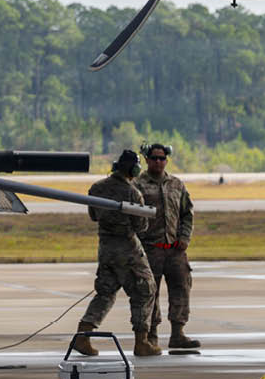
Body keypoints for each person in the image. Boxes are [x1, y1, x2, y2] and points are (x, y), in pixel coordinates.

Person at [73, 150, 162, 357]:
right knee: (145, 290)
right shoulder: (132, 193)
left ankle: (83, 334)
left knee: (105, 293)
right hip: (127, 249)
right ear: (134, 169)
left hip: (106, 249)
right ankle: (142, 342)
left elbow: (94, 216)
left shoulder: (96, 188)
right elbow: (140, 226)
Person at [137, 143, 200, 350]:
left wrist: (184, 238)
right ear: (146, 159)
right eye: (154, 158)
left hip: (174, 249)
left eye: (162, 158)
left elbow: (187, 214)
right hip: (150, 248)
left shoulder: (176, 184)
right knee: (149, 294)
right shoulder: (138, 185)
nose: (158, 162)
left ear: (166, 160)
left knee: (181, 289)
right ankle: (151, 336)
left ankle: (177, 333)